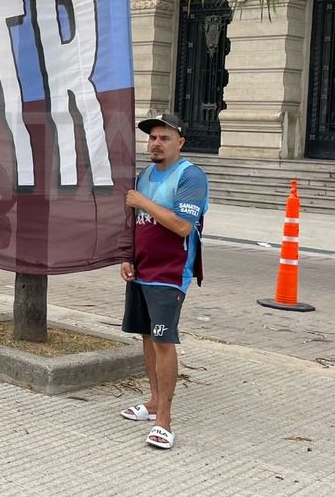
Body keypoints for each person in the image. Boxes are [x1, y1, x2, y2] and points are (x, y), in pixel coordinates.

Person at [120, 113, 209, 451]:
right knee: (145, 336)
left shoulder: (191, 177)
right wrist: (127, 256)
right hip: (141, 270)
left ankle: (164, 421)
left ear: (180, 142)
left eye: (164, 138)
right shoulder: (145, 174)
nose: (156, 143)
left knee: (162, 340)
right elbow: (135, 222)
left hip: (170, 275)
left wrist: (144, 201)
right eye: (152, 137)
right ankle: (154, 400)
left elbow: (183, 226)